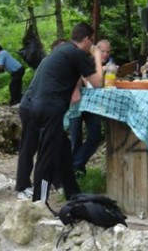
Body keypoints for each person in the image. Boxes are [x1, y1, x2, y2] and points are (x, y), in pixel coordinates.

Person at [29, 23, 103, 202]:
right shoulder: (76, 53)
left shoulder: (63, 51)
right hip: (50, 108)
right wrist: (98, 56)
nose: (92, 44)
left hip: (37, 104)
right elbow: (98, 82)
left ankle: (73, 193)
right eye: (91, 40)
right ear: (86, 39)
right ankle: (39, 201)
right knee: (47, 156)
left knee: (63, 150)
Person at [15, 38, 66, 199]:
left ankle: (56, 181)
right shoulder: (49, 63)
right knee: (29, 147)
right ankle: (22, 186)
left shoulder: (57, 64)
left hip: (42, 109)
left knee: (54, 145)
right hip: (30, 107)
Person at [69, 38, 112, 176]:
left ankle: (74, 167)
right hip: (77, 103)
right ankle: (77, 171)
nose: (105, 54)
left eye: (108, 51)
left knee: (94, 136)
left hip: (94, 105)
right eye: (102, 51)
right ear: (95, 50)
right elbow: (78, 76)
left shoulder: (111, 65)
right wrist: (76, 88)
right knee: (76, 139)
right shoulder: (85, 59)